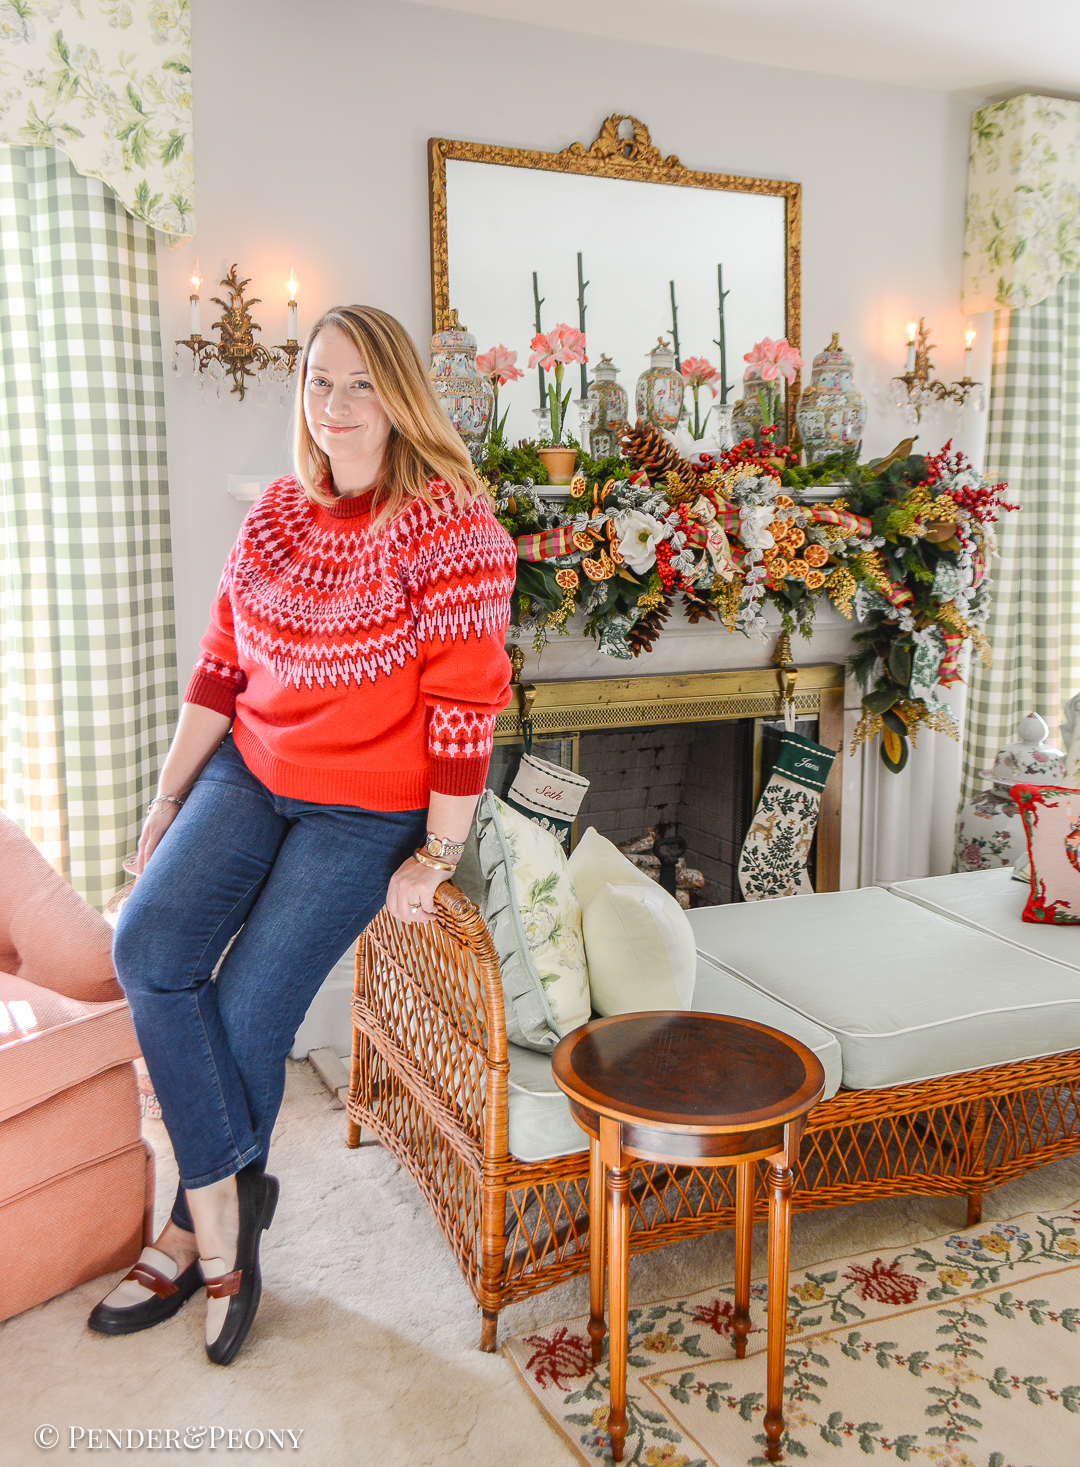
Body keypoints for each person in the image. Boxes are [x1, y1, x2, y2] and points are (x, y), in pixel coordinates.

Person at [89, 305, 516, 1364]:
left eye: (362, 383)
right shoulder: (276, 514)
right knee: (147, 944)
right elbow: (220, 668)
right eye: (320, 381)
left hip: (363, 808)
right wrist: (166, 799)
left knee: (246, 1012)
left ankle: (194, 1231)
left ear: (402, 396)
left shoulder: (453, 527)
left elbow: (464, 710)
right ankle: (231, 1204)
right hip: (251, 771)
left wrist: (436, 855)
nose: (336, 405)